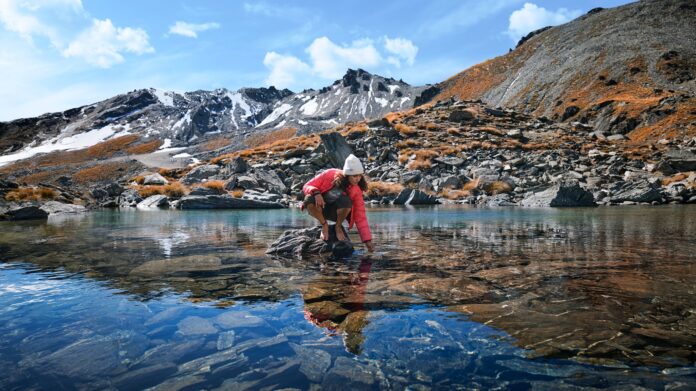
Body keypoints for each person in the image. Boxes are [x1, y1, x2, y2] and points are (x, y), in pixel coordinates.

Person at [302, 154, 375, 252]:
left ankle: (338, 227)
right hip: (320, 208)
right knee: (309, 199)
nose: (358, 179)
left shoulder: (356, 190)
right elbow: (307, 185)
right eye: (354, 176)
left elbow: (360, 215)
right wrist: (316, 192)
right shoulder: (329, 174)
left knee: (346, 201)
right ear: (347, 175)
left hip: (336, 213)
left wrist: (367, 240)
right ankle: (324, 225)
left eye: (359, 176)